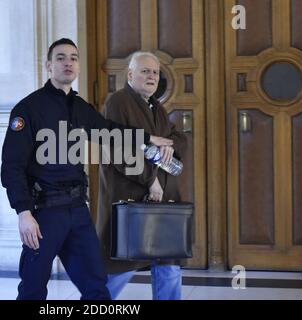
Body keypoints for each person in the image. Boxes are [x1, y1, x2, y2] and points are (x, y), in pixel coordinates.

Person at [1, 39, 171, 300]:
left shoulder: (80, 107)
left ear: (78, 66)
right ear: (48, 66)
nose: (68, 62)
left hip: (78, 211)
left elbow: (109, 132)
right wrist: (23, 212)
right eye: (60, 58)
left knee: (96, 287)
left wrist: (147, 139)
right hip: (44, 213)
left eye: (73, 57)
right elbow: (12, 166)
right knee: (33, 289)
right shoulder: (28, 109)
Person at [96, 51, 187, 300]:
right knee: (119, 268)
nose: (152, 76)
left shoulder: (156, 107)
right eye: (145, 71)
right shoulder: (118, 102)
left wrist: (168, 145)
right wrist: (151, 180)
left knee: (168, 266)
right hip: (130, 199)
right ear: (130, 74)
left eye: (155, 72)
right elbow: (118, 148)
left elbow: (179, 138)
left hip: (162, 204)